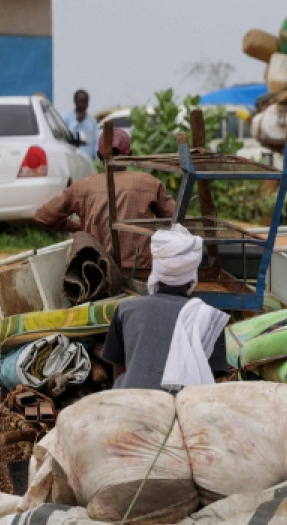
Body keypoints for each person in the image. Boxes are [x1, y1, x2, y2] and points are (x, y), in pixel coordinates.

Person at [101, 225, 229, 391]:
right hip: (182, 410)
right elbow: (210, 381)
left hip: (129, 405)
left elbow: (119, 371)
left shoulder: (125, 310)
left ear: (156, 270)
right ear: (192, 275)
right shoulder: (210, 318)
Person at [34, 128, 174, 271]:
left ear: (98, 155)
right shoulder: (150, 183)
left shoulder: (82, 187)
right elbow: (177, 220)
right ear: (130, 155)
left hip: (97, 273)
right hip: (139, 272)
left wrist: (79, 228)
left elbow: (43, 216)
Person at [63, 89, 99, 160]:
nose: (84, 105)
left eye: (86, 102)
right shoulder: (65, 118)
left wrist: (97, 159)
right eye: (81, 102)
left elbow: (95, 142)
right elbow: (65, 138)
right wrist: (77, 121)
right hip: (71, 159)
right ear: (75, 102)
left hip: (88, 161)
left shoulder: (92, 121)